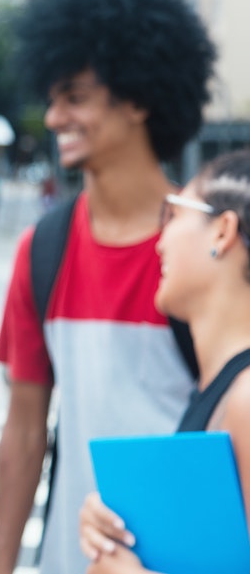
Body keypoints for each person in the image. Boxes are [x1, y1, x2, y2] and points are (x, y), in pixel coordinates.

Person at [0, 0, 217, 574]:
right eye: (53, 98)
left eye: (76, 98)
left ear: (140, 97)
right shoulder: (42, 250)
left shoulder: (207, 247)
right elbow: (24, 431)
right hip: (70, 556)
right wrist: (3, 566)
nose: (55, 117)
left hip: (187, 558)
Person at [78, 148, 250, 573]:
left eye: (172, 214)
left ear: (222, 231)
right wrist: (112, 530)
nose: (160, 240)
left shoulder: (246, 399)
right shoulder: (220, 388)